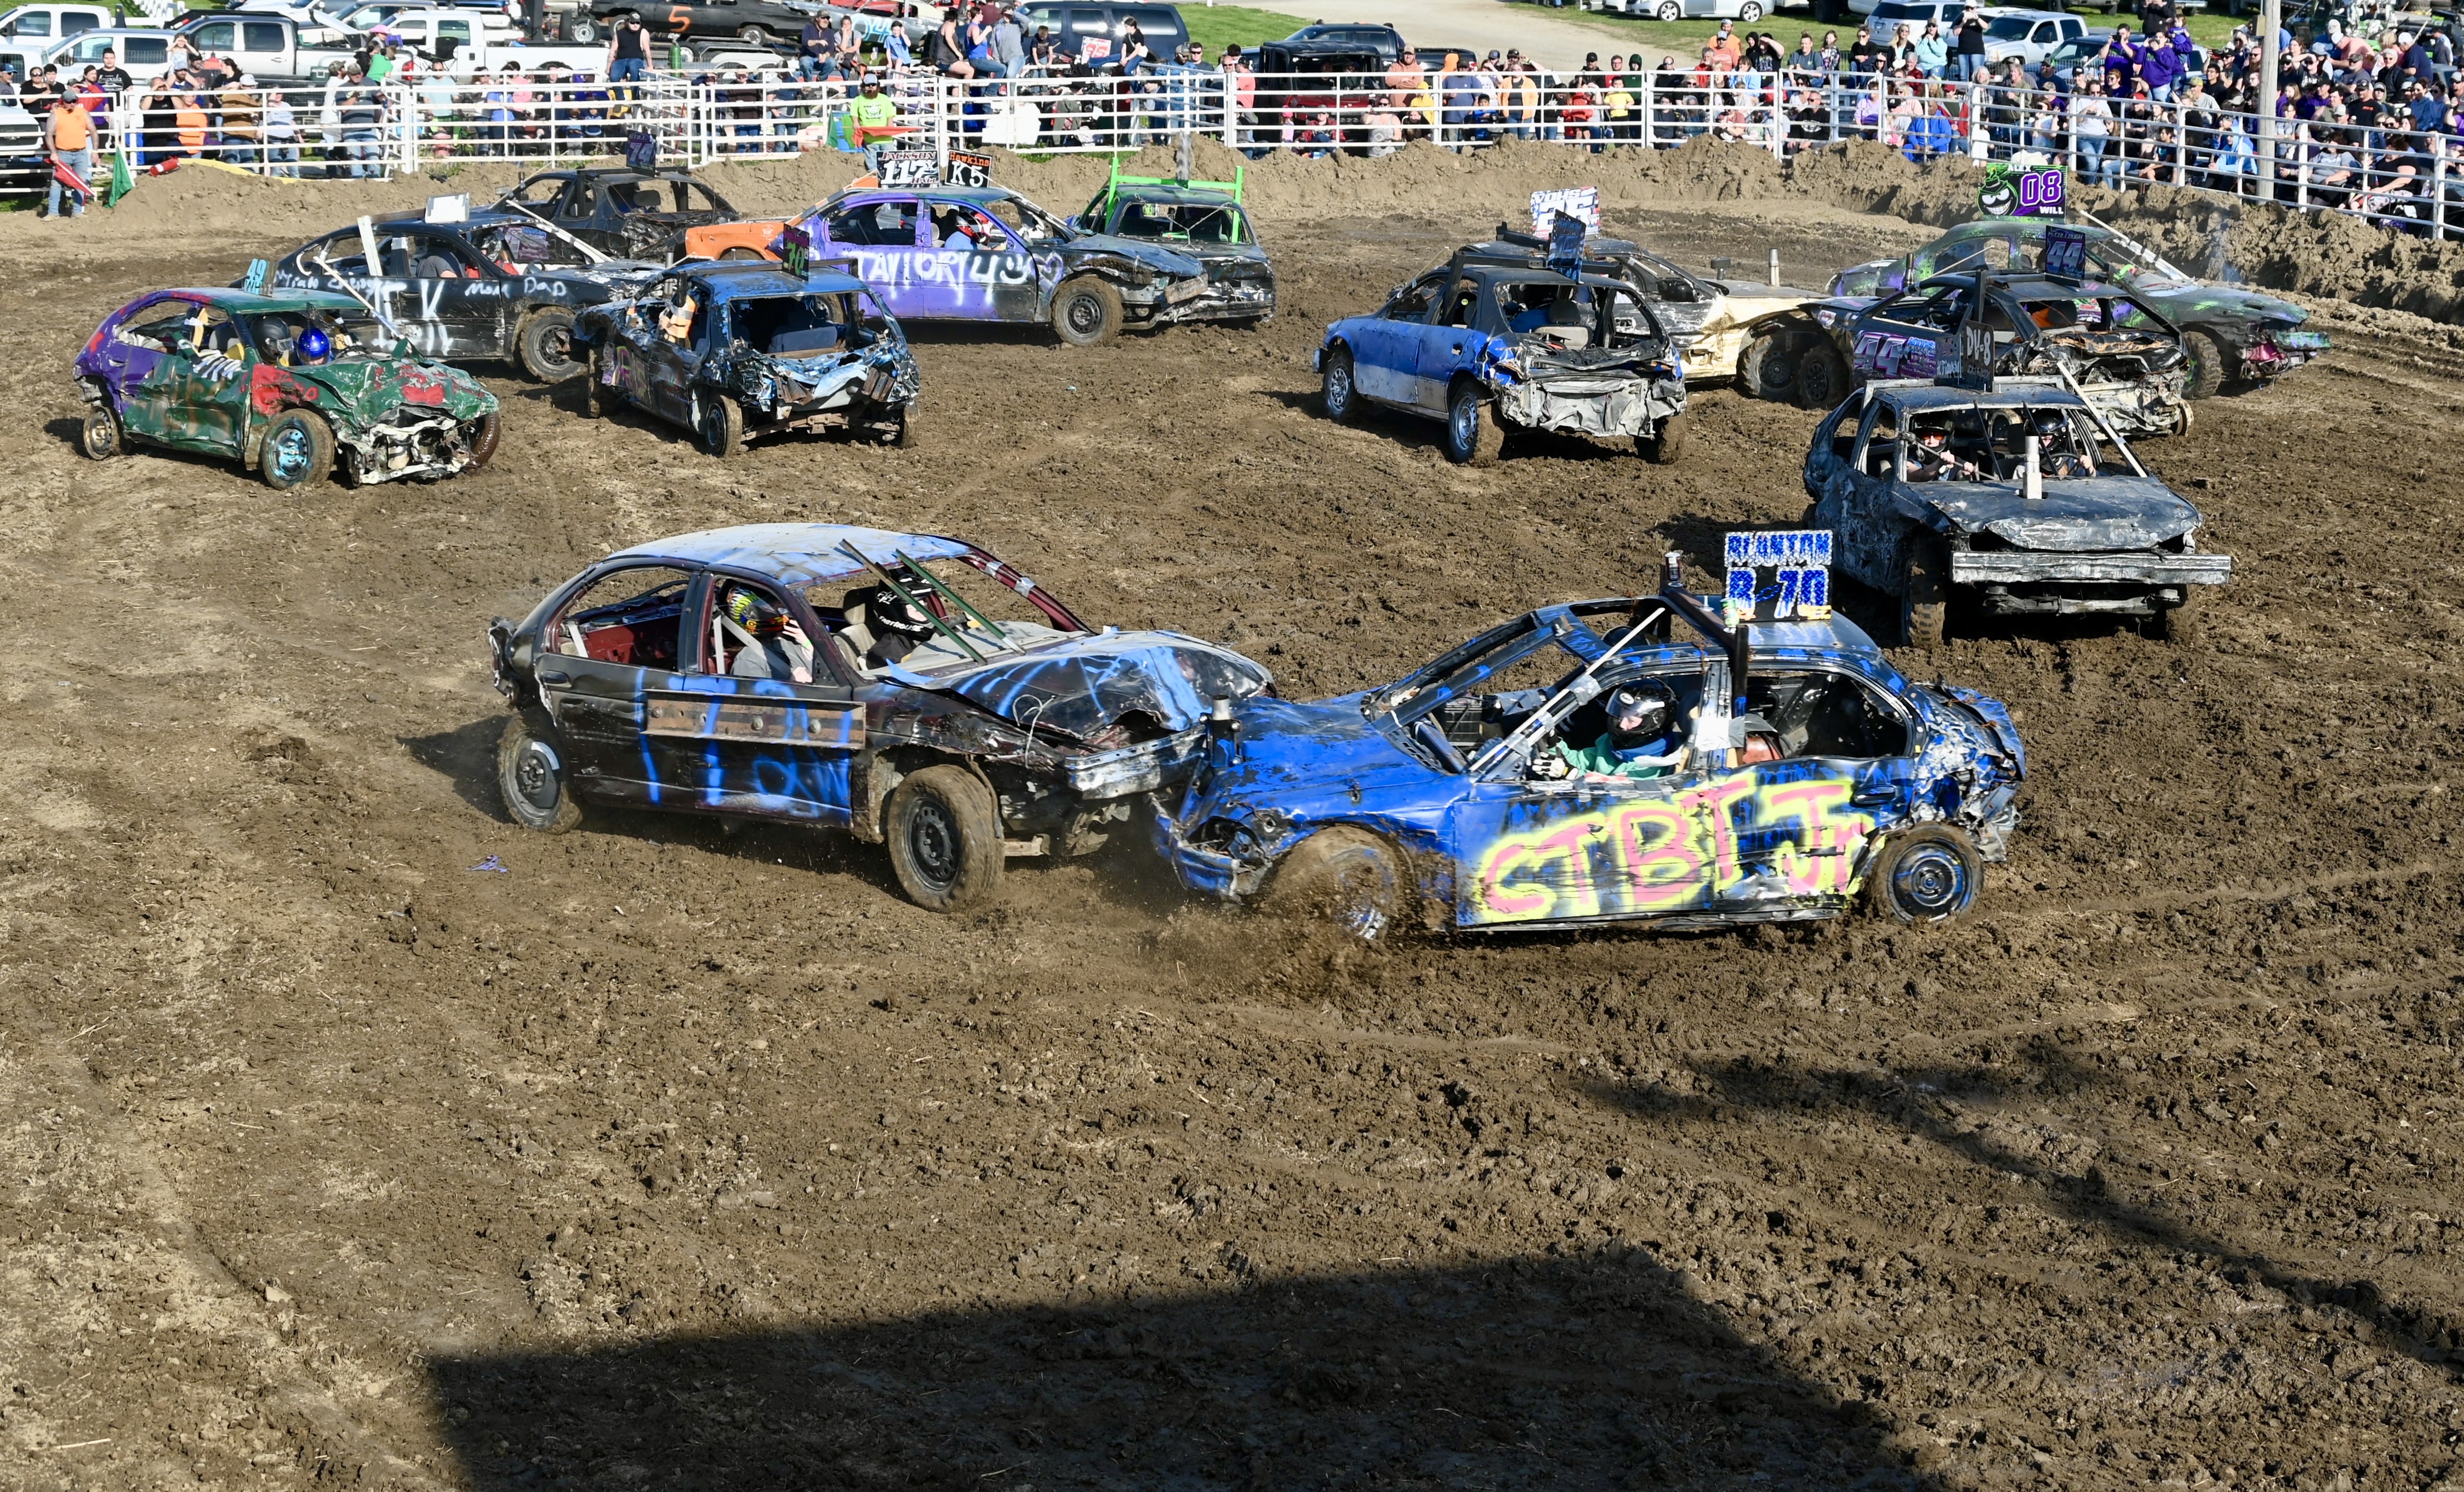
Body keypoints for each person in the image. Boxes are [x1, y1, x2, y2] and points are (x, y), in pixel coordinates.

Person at [1548, 684, 1686, 782]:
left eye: (1631, 721)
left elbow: (1617, 793)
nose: (1621, 724)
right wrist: (1553, 744)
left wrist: (1570, 773)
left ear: (1653, 723)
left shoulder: (1654, 764)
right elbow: (1580, 761)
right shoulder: (1610, 742)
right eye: (1621, 716)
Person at [44, 92, 93, 217]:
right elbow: (48, 134)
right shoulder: (56, 115)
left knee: (80, 182)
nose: (72, 104)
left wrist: (96, 151)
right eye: (69, 101)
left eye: (74, 101)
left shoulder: (83, 113)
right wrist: (53, 153)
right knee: (56, 183)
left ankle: (77, 211)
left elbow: (93, 130)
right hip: (62, 153)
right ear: (63, 102)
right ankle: (53, 212)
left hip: (81, 152)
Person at [606, 12, 649, 96]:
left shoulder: (643, 33)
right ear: (628, 22)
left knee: (634, 72)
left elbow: (647, 51)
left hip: (636, 60)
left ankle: (636, 98)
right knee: (614, 77)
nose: (635, 25)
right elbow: (612, 51)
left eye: (637, 23)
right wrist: (608, 67)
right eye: (633, 23)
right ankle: (621, 99)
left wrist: (650, 66)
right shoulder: (619, 34)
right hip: (621, 60)